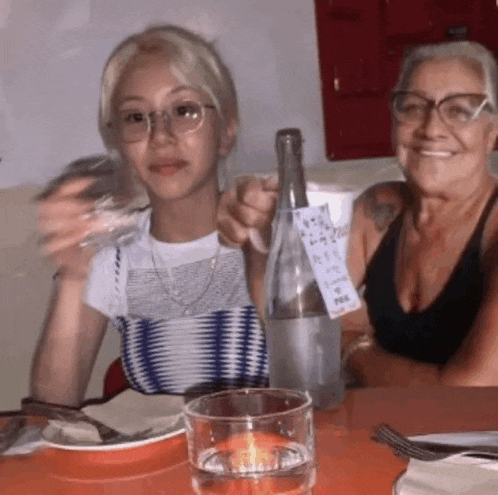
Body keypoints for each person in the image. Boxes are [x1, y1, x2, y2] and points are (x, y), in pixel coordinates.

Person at [217, 40, 498, 387]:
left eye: (459, 110)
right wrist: (259, 237)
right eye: (412, 107)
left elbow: (466, 394)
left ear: (493, 132)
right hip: (379, 431)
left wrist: (352, 346)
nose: (431, 128)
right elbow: (300, 337)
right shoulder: (378, 210)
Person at [32, 25, 270, 407]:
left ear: (226, 130)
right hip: (162, 465)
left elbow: (318, 382)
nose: (160, 136)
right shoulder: (114, 255)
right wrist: (73, 276)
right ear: (118, 142)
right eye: (135, 118)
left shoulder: (268, 231)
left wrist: (263, 256)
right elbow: (51, 408)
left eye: (184, 110)